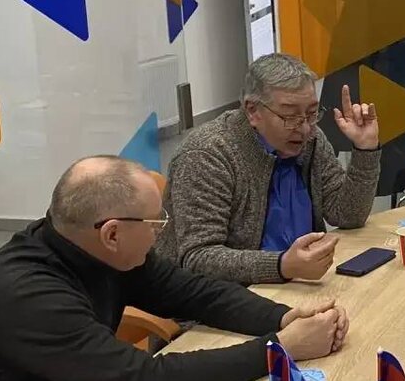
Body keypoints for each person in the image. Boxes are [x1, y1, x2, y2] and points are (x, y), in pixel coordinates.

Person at [0, 156, 349, 381]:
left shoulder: (95, 249)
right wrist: (280, 348)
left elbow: (195, 293)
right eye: (155, 223)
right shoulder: (28, 296)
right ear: (112, 233)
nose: (160, 233)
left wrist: (283, 318)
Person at [155, 53, 381, 285]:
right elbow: (198, 258)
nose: (304, 128)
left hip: (299, 282)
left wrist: (365, 149)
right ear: (253, 111)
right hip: (223, 297)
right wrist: (281, 265)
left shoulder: (311, 140)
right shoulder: (207, 155)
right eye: (290, 116)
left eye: (312, 113)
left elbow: (347, 215)